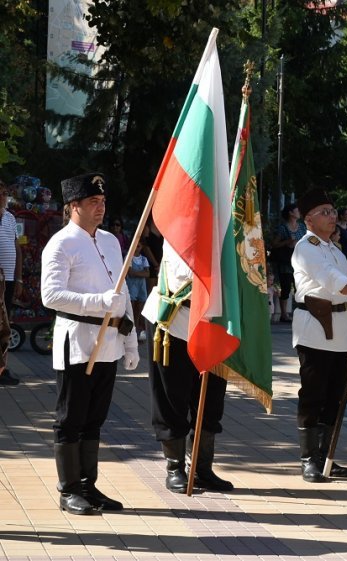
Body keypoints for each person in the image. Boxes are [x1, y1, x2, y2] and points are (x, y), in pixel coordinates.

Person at [41, 172, 140, 515]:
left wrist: (131, 342)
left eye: (102, 202)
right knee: (71, 417)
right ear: (73, 207)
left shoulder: (111, 241)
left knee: (95, 419)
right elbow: (50, 295)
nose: (100, 208)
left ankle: (88, 486)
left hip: (110, 340)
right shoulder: (61, 243)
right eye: (92, 202)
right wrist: (97, 303)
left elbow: (122, 289)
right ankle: (69, 489)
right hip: (78, 342)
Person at [291, 189, 347, 483]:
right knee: (313, 395)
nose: (332, 216)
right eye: (324, 212)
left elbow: (338, 278)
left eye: (332, 210)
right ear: (308, 219)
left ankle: (326, 455)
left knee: (334, 397)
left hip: (342, 331)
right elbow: (328, 277)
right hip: (315, 330)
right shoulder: (306, 248)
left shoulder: (335, 249)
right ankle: (308, 459)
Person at [142, 241, 234, 494]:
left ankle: (202, 468)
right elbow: (184, 275)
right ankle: (175, 468)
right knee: (173, 397)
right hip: (176, 319)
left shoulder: (224, 228)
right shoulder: (180, 229)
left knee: (212, 399)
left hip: (214, 323)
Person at [0, 180, 21, 385]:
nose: (3, 197)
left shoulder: (10, 218)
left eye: (5, 193)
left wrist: (19, 277)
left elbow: (17, 247)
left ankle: (2, 368)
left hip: (8, 280)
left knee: (5, 326)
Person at [273, 203, 307, 322]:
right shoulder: (283, 228)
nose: (299, 212)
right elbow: (274, 244)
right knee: (286, 287)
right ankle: (284, 314)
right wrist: (287, 242)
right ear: (291, 213)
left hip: (299, 261)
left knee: (300, 287)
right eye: (297, 210)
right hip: (286, 262)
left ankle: (300, 312)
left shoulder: (302, 227)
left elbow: (307, 241)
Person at [126, 242, 150, 342]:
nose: (136, 248)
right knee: (130, 311)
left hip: (141, 289)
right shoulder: (128, 257)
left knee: (138, 312)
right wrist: (142, 273)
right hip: (131, 287)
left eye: (139, 246)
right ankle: (129, 333)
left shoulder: (144, 259)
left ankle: (135, 332)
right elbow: (130, 273)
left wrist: (136, 273)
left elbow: (148, 273)